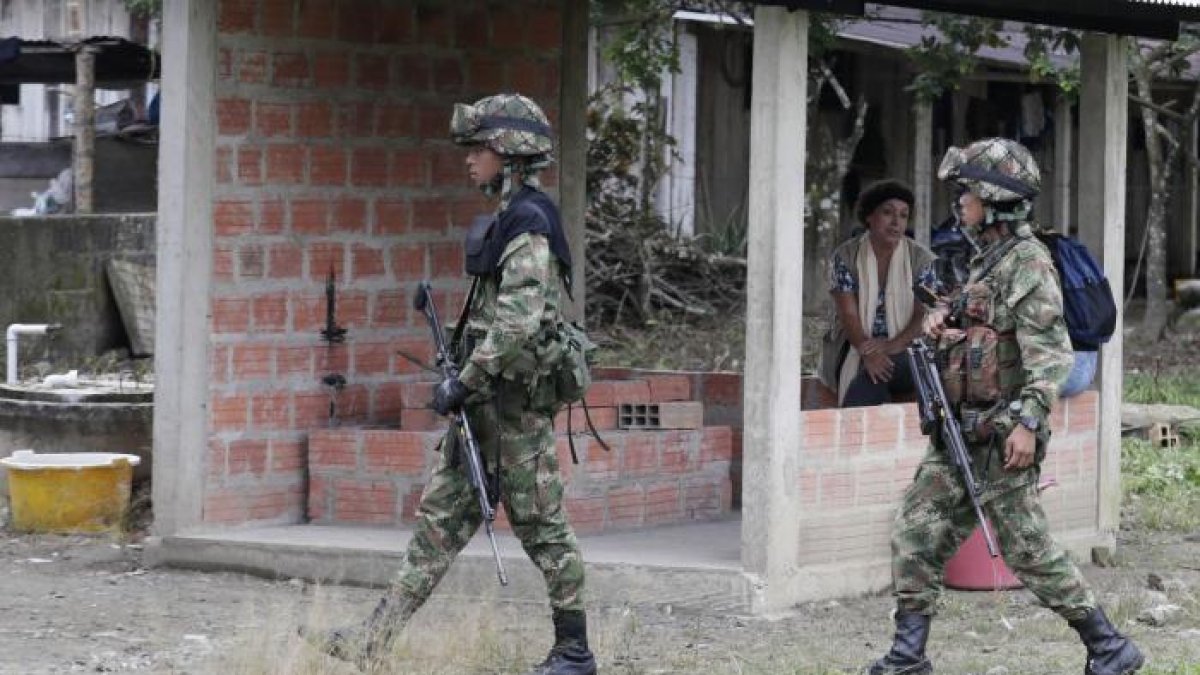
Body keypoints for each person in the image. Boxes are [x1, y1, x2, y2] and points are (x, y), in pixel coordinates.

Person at [308, 93, 596, 675]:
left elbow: (517, 322)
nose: (469, 161)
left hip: (514, 410)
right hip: (485, 408)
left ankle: (574, 651)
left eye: (480, 149)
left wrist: (463, 382)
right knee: (439, 522)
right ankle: (376, 637)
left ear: (509, 156)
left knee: (544, 528)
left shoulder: (531, 224)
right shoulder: (507, 220)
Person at [867, 138, 1143, 675]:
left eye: (967, 193)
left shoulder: (1029, 263)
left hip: (1003, 437)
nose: (960, 202)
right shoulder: (985, 260)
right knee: (915, 531)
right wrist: (942, 323)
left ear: (994, 200)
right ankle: (907, 657)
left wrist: (1029, 424)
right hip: (959, 433)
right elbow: (983, 334)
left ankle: (1110, 647)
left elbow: (1051, 355)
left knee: (1028, 551)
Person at [817, 180, 938, 407]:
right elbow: (848, 314)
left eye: (903, 215)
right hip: (854, 345)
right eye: (887, 213)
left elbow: (921, 316)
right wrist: (868, 351)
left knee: (879, 374)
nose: (896, 222)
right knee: (870, 375)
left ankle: (861, 433)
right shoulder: (845, 256)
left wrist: (890, 347)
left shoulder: (922, 259)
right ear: (869, 216)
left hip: (906, 347)